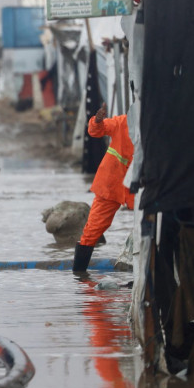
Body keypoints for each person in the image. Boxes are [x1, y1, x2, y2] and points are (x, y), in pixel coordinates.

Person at [73, 104, 134, 272]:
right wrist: (97, 120)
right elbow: (95, 130)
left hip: (136, 188)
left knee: (151, 227)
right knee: (93, 229)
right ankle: (79, 274)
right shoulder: (122, 122)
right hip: (110, 185)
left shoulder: (157, 130)